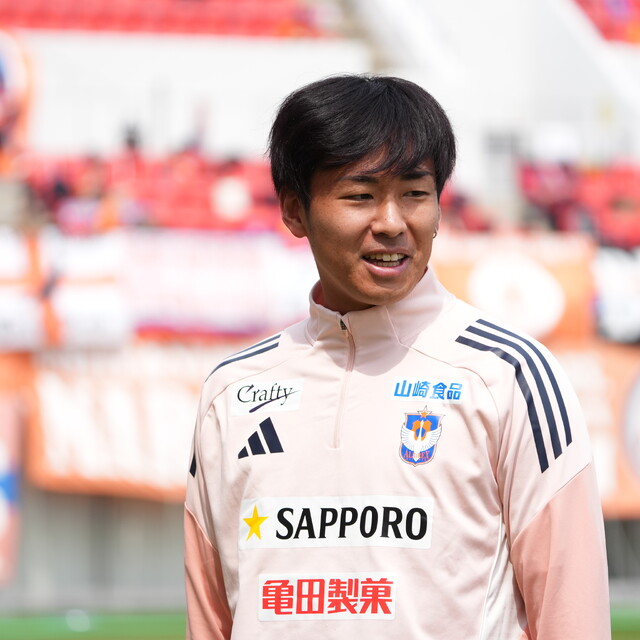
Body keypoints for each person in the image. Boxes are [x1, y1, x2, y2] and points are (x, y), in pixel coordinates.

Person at [184, 74, 610, 639]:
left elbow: (572, 618)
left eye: (414, 193)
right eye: (360, 196)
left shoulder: (507, 376)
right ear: (294, 210)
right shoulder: (233, 391)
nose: (391, 223)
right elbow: (211, 619)